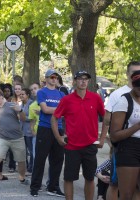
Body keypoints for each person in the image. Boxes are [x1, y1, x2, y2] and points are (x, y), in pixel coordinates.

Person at [51, 70, 105, 200]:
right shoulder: (67, 100)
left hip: (90, 145)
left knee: (90, 177)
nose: (83, 81)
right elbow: (54, 118)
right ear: (75, 81)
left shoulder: (95, 98)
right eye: (80, 79)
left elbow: (106, 119)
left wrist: (102, 139)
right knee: (69, 178)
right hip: (72, 146)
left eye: (86, 79)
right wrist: (58, 137)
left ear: (89, 81)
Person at [100, 61, 140, 200]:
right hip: (128, 148)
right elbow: (114, 134)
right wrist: (137, 126)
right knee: (123, 191)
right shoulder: (123, 99)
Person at [30, 69, 65, 197]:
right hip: (45, 128)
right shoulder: (42, 92)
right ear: (46, 79)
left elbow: (64, 111)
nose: (54, 79)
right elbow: (45, 109)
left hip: (59, 129)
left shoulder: (61, 94)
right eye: (51, 77)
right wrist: (60, 110)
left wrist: (57, 110)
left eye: (56, 77)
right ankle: (35, 186)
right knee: (40, 159)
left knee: (58, 159)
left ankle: (53, 187)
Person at [19, 88, 34, 174]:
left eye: (23, 94)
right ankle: (25, 166)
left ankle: (31, 167)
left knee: (31, 150)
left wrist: (24, 118)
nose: (21, 96)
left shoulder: (31, 103)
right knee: (23, 150)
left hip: (29, 130)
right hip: (22, 130)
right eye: (20, 94)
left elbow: (33, 117)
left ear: (27, 95)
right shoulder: (21, 104)